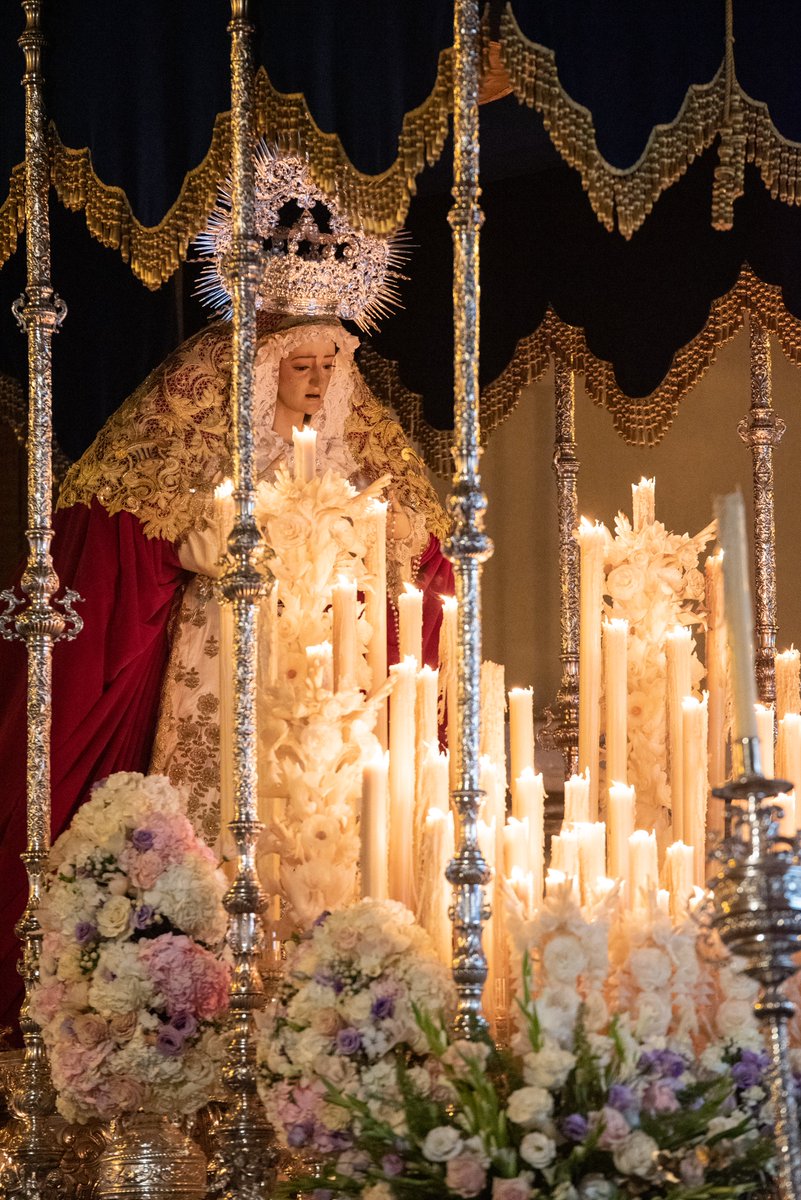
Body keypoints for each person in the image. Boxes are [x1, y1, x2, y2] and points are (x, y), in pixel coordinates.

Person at [0, 311, 453, 1033]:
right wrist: (192, 558)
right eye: (299, 365)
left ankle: (328, 958)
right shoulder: (213, 461)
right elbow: (138, 540)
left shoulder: (350, 464)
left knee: (322, 806)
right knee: (222, 789)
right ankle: (198, 971)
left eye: (327, 365)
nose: (316, 379)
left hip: (328, 657)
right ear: (260, 370)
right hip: (221, 650)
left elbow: (407, 560)